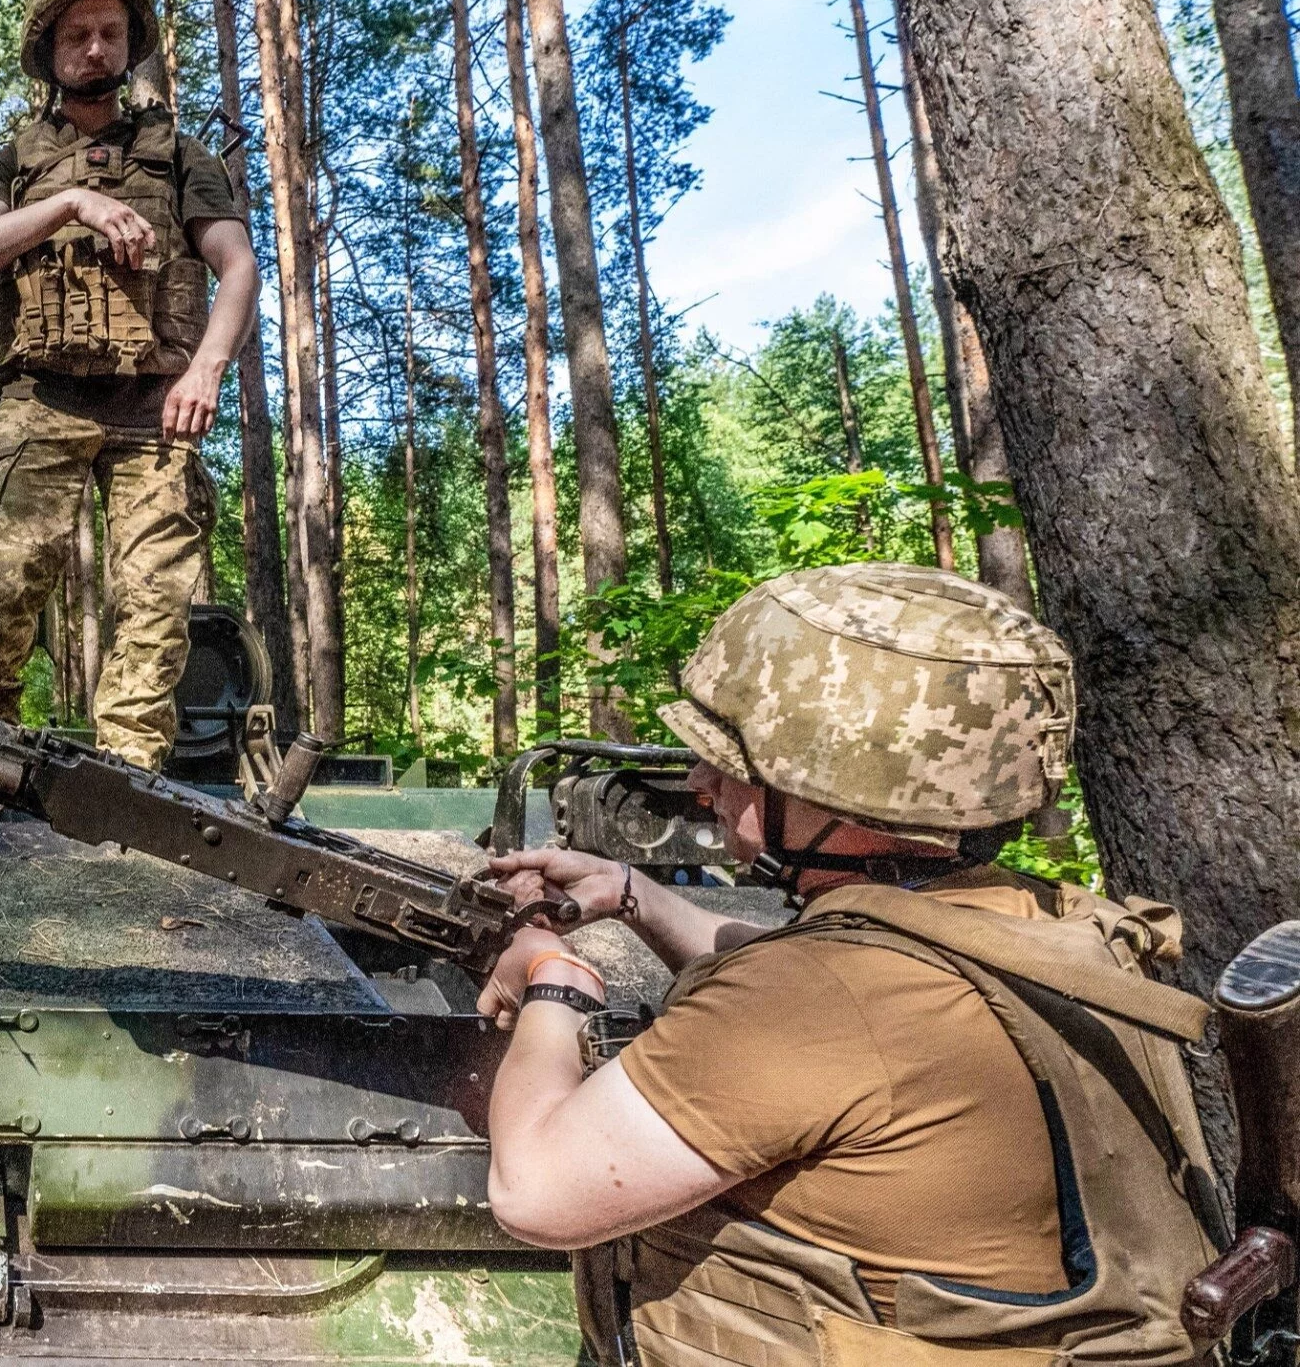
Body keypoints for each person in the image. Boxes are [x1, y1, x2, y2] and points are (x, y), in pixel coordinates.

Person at [474, 562, 1227, 1365]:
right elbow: (841, 1006)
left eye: (732, 762)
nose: (701, 782)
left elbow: (537, 1191)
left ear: (832, 788)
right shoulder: (1049, 922)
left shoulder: (821, 999)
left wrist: (552, 974)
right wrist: (636, 896)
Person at [0, 0, 260, 771]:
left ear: (131, 42)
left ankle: (128, 786)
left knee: (155, 607)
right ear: (49, 47)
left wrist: (206, 370)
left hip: (155, 407)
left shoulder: (181, 158)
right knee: (5, 593)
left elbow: (238, 266)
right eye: (78, 33)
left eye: (111, 33)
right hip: (41, 401)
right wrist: (70, 203)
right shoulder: (14, 164)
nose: (95, 49)